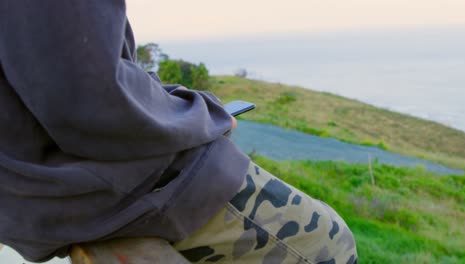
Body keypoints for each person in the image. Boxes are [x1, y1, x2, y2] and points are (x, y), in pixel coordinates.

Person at [0, 1, 357, 263]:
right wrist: (205, 114)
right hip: (111, 186)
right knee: (331, 243)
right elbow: (90, 100)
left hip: (27, 200)